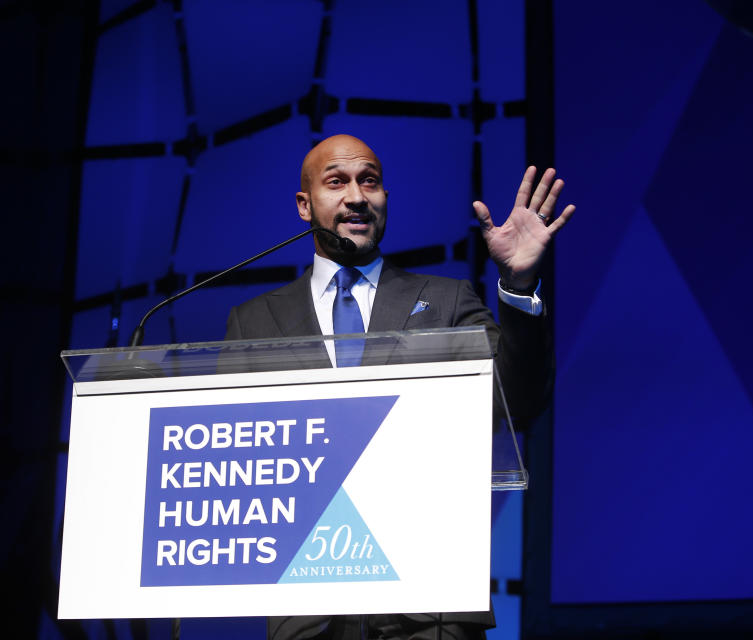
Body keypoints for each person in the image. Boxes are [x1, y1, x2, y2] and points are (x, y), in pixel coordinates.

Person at [223, 134, 574, 640]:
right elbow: (236, 460)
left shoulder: (447, 301)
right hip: (304, 604)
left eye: (370, 181)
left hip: (428, 607)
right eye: (336, 182)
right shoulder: (253, 322)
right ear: (305, 206)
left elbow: (518, 399)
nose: (357, 196)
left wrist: (517, 289)